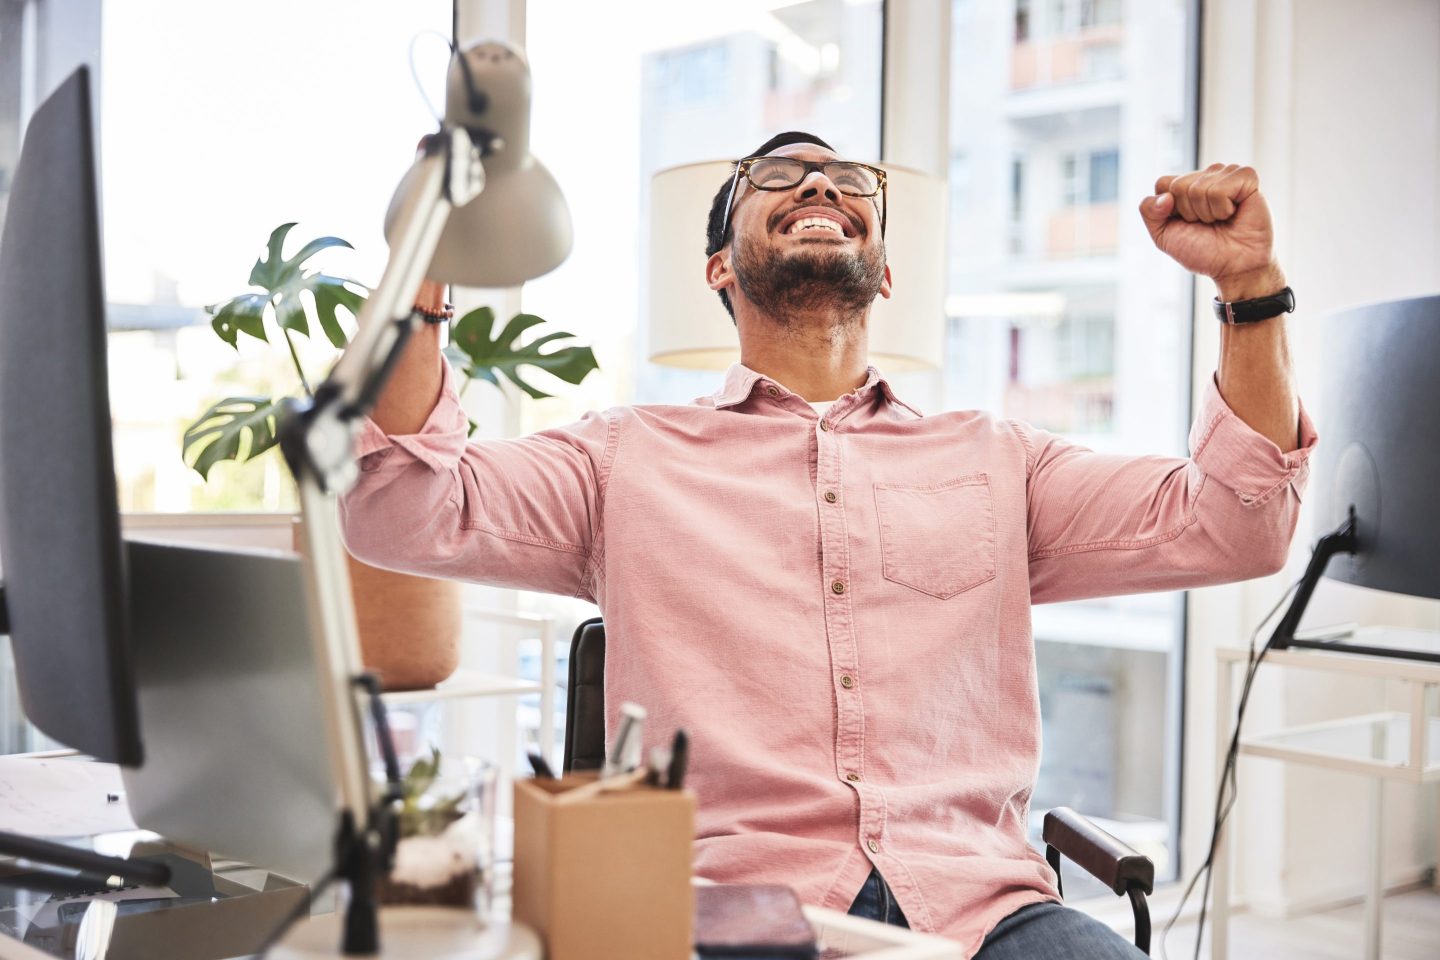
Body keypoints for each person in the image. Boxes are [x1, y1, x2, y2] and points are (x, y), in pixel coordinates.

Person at [340, 131, 1315, 959]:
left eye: (850, 183)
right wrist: (423, 258)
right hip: (733, 910)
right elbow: (398, 507)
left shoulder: (998, 460)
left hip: (987, 916)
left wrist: (1250, 288)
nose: (819, 186)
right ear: (721, 266)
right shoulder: (624, 458)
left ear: (885, 269)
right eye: (775, 180)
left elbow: (1240, 523)